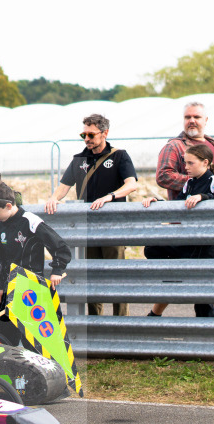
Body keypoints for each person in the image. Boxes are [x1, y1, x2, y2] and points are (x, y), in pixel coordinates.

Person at [44, 114, 137, 317]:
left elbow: (132, 184)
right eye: (83, 134)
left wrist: (110, 197)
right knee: (91, 277)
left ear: (104, 133)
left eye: (91, 134)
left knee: (116, 276)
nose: (86, 138)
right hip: (88, 227)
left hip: (113, 227)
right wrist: (53, 198)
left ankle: (121, 323)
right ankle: (96, 323)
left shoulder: (119, 155)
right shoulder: (79, 160)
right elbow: (64, 187)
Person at [156, 101, 214, 317]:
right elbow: (163, 176)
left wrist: (205, 188)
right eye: (188, 116)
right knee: (178, 275)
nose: (192, 121)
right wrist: (193, 186)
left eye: (197, 117)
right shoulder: (175, 146)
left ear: (205, 121)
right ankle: (155, 314)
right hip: (185, 224)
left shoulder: (213, 146)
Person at [142, 144, 214, 318]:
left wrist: (203, 197)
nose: (186, 167)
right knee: (152, 248)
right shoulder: (189, 183)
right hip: (189, 240)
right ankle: (175, 278)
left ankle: (209, 332)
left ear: (205, 163)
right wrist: (158, 202)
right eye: (185, 163)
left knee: (202, 295)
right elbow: (177, 205)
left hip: (207, 243)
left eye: (191, 163)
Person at [0, 182, 71, 346]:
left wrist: (57, 270)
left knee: (36, 343)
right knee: (4, 341)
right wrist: (2, 287)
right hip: (11, 290)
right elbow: (4, 262)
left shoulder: (30, 221)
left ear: (9, 205)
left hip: (32, 290)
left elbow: (60, 247)